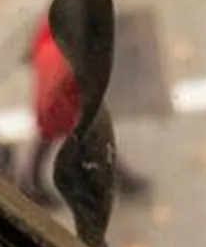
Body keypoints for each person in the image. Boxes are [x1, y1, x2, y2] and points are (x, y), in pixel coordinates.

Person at [25, 17, 151, 204]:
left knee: (50, 138)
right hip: (63, 101)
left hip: (56, 98)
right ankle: (122, 179)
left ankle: (31, 183)